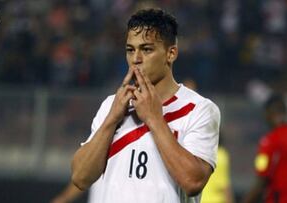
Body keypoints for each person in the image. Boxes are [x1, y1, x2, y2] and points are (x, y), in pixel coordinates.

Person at [70, 8, 221, 203]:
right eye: (130, 50)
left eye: (147, 49)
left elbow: (192, 182)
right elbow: (80, 178)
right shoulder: (112, 105)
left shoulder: (199, 109)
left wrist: (154, 118)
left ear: (171, 53)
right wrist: (111, 120)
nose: (136, 59)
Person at [200, 134, 235, 203]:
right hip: (217, 200)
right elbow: (225, 184)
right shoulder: (221, 155)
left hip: (201, 199)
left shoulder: (199, 154)